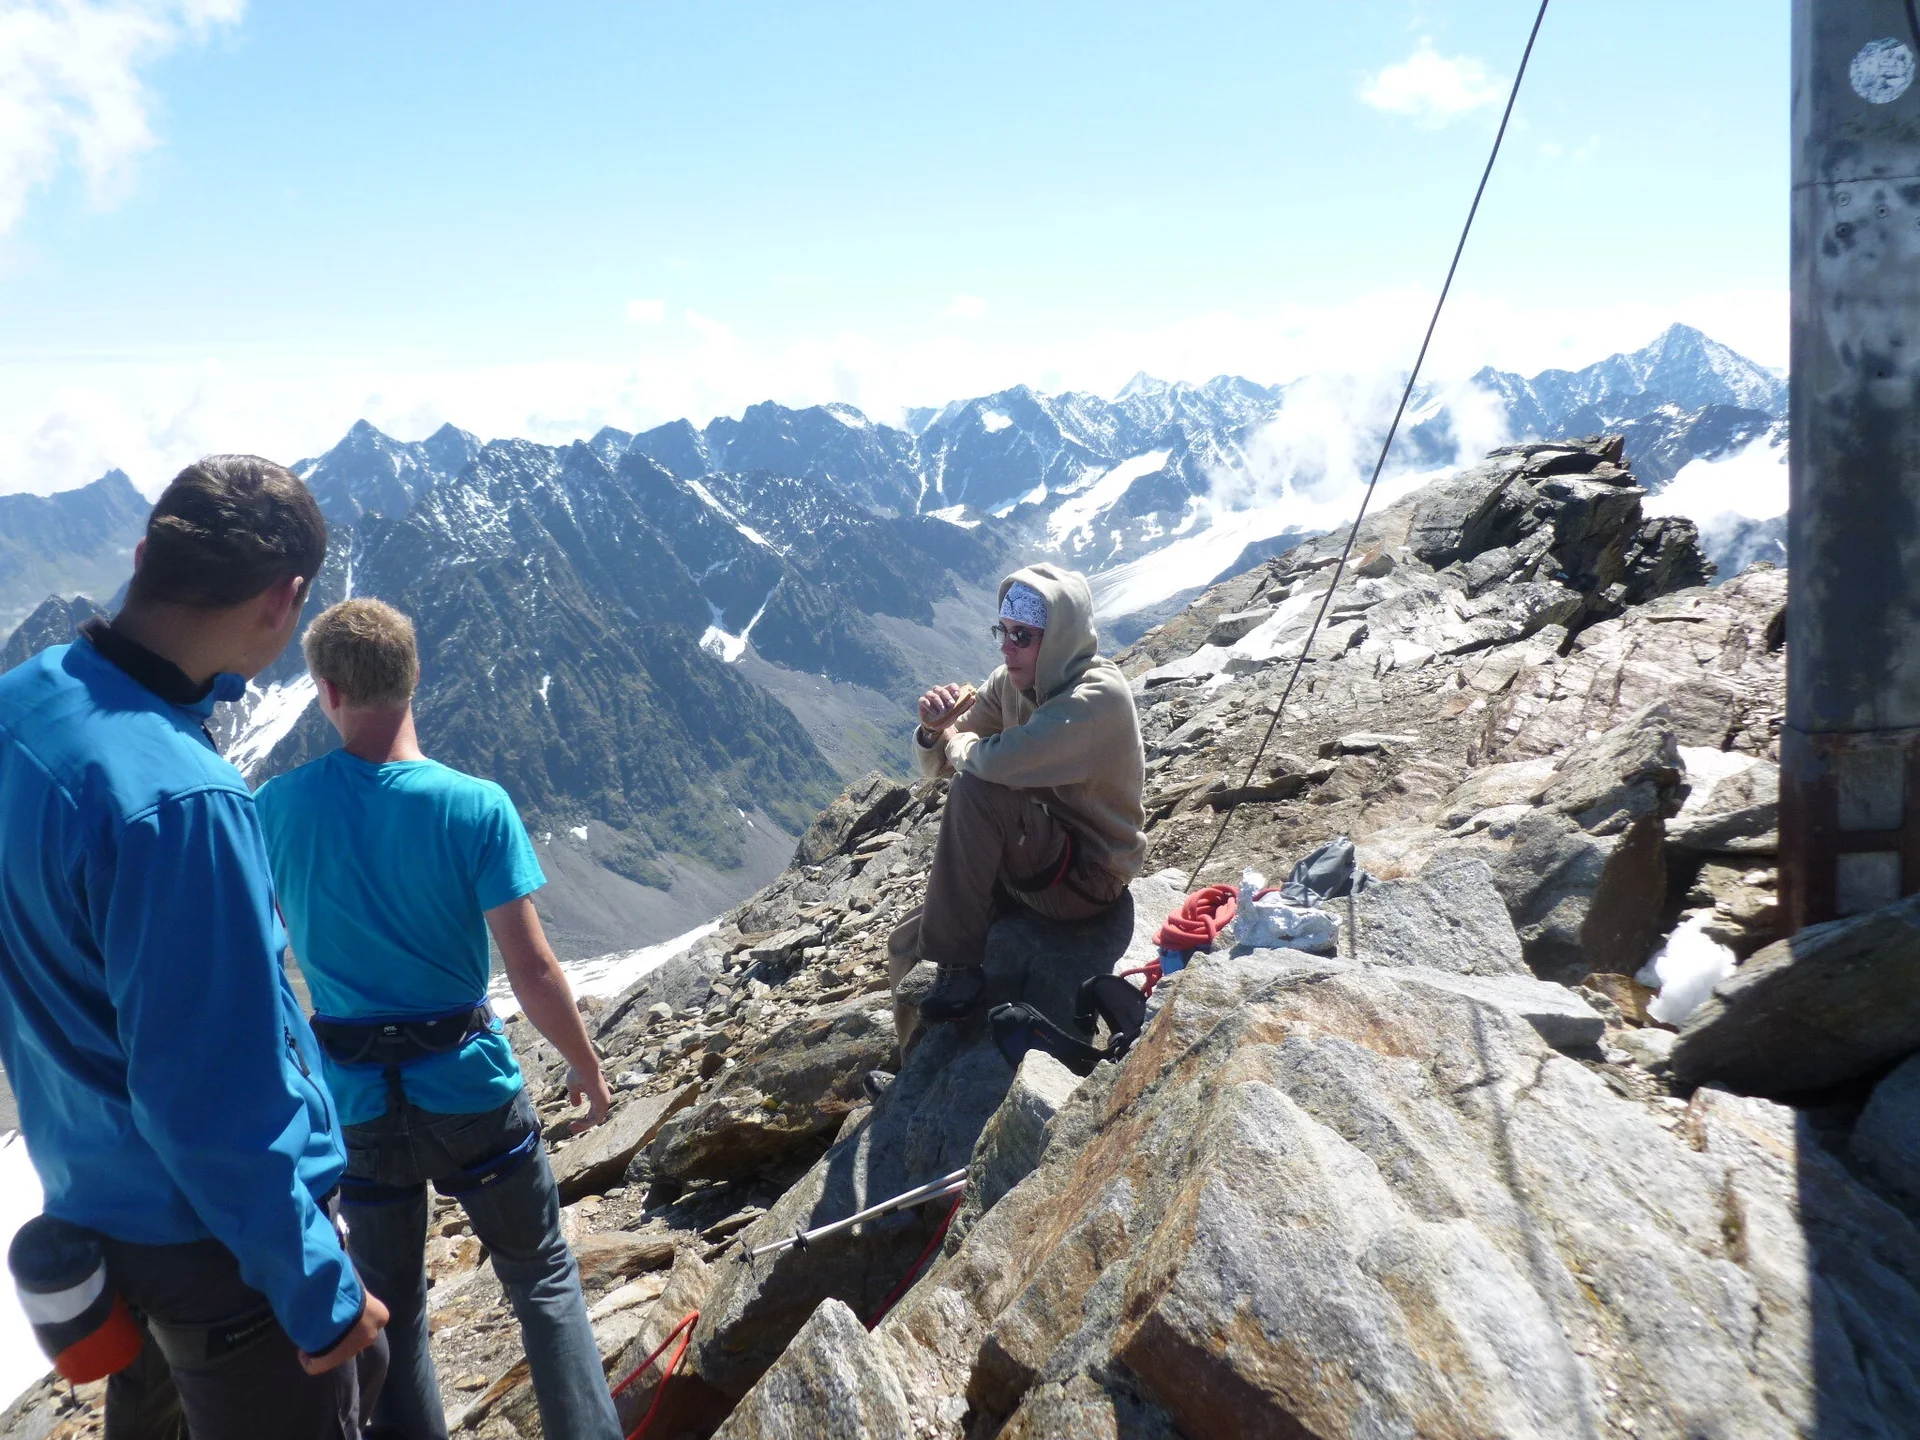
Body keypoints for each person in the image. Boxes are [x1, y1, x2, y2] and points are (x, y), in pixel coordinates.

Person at [0, 456, 388, 1439]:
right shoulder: (182, 802)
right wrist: (321, 1295)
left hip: (93, 1194)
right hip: (216, 1244)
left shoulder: (21, 705)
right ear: (285, 598)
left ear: (144, 556)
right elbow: (213, 1101)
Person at [254, 597, 621, 1440]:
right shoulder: (475, 805)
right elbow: (530, 968)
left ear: (328, 690)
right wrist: (587, 1066)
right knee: (541, 1279)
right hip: (469, 1092)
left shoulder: (277, 808)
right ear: (414, 678)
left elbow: (256, 953)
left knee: (398, 1309)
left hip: (355, 1106)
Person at [893, 564, 1147, 1039]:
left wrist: (952, 741)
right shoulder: (1008, 683)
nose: (1007, 647)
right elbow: (942, 765)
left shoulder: (1097, 699)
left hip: (1089, 875)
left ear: (1056, 640)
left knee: (975, 789)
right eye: (1003, 632)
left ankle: (959, 970)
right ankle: (910, 1065)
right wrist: (934, 731)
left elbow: (994, 764)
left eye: (1023, 637)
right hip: (1035, 855)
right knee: (907, 941)